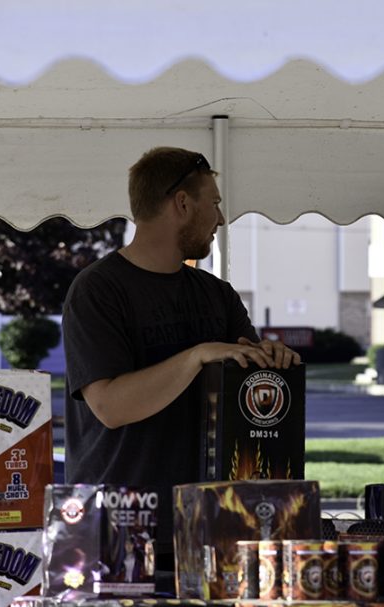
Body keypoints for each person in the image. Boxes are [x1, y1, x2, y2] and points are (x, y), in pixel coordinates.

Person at [62, 147, 300, 588]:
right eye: (215, 203)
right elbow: (110, 406)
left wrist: (274, 362)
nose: (222, 218)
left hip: (209, 528)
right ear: (183, 204)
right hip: (115, 532)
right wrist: (196, 355)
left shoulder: (217, 295)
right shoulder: (97, 290)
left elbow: (248, 381)